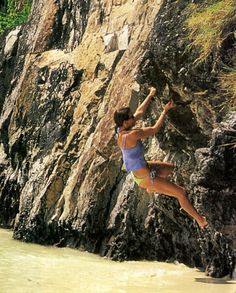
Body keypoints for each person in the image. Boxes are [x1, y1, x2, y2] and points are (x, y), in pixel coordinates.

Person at [114, 87, 208, 229]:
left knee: (172, 168)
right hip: (146, 177)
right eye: (131, 117)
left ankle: (156, 188)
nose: (134, 117)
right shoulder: (130, 135)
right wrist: (165, 111)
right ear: (126, 122)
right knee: (181, 193)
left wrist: (151, 95)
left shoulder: (120, 129)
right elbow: (154, 129)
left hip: (146, 168)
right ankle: (201, 221)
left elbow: (139, 112)